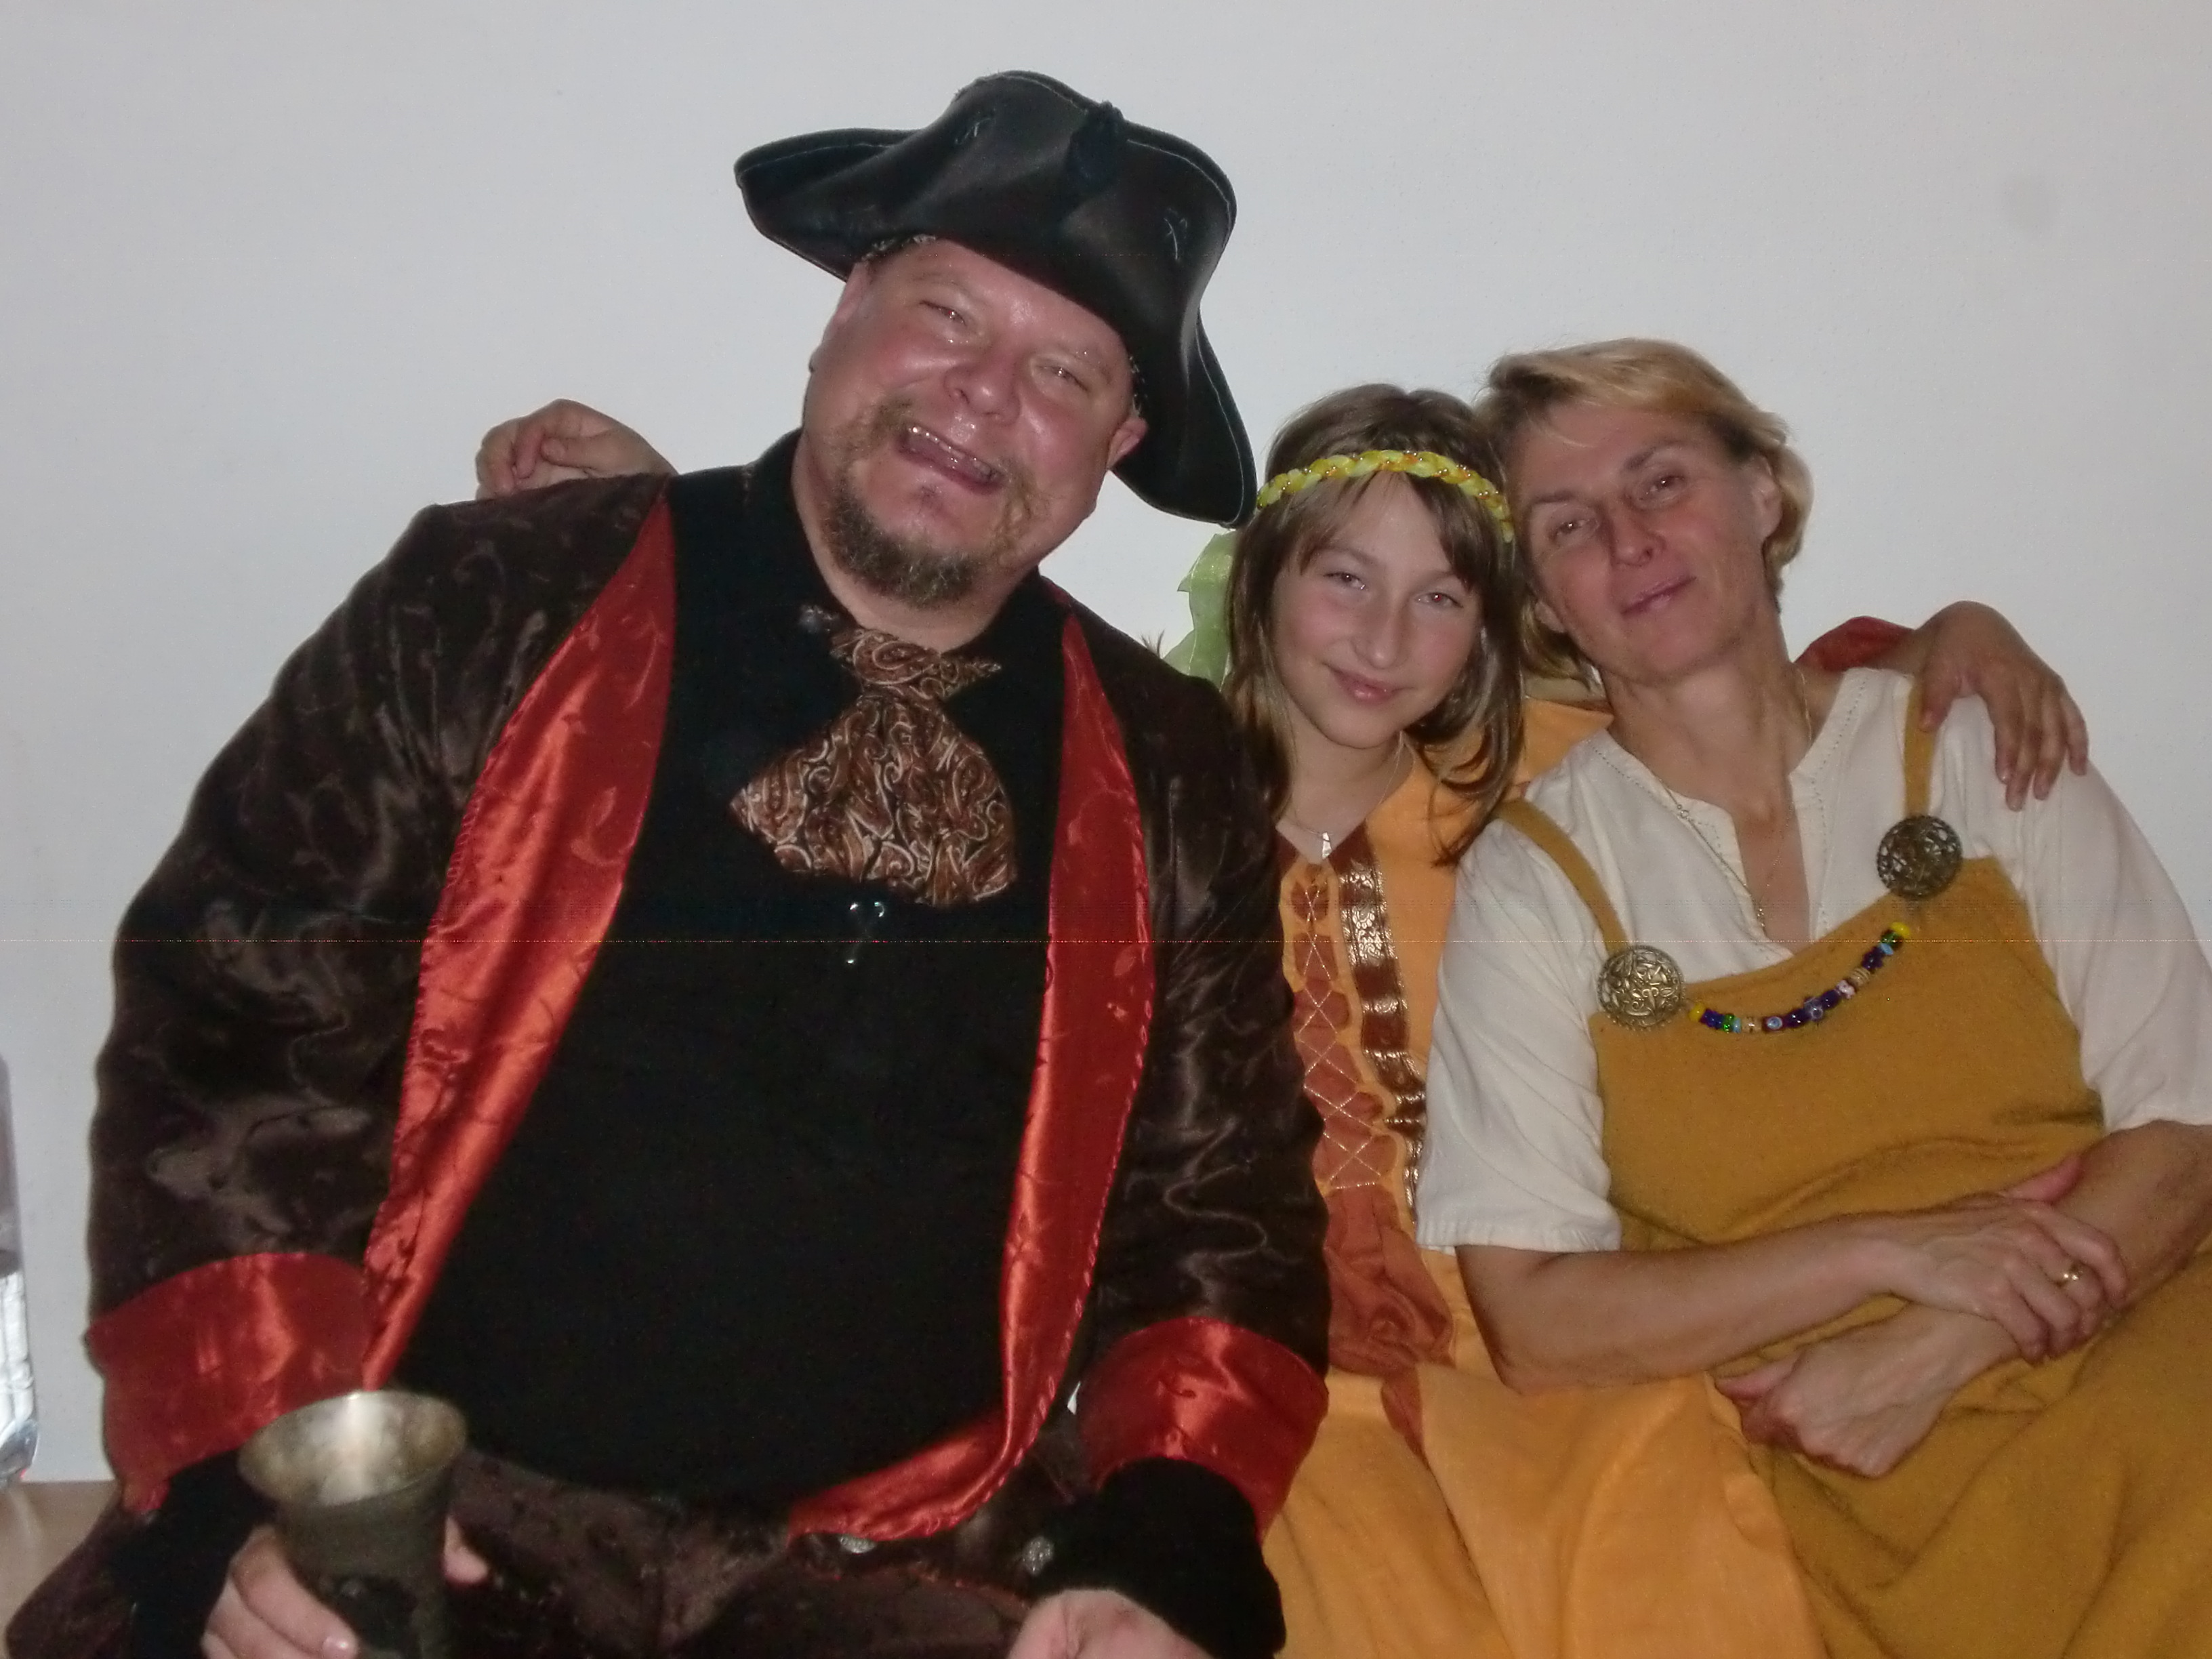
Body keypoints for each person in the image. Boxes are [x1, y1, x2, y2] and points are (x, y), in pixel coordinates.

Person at [15, 73, 1334, 1659]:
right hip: (426, 1532)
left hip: (898, 1573)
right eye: (945, 315)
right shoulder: (495, 603)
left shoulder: (1171, 766)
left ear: (1116, 442)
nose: (986, 395)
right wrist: (268, 1477)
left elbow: (1222, 1205)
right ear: (843, 310)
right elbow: (242, 1040)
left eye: (1062, 371)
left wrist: (1169, 1545)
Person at [495, 380, 2089, 1658]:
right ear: (1263, 580)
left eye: (1441, 600)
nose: (1384, 644)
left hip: (1561, 1364)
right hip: (1273, 1390)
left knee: (1678, 1584)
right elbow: (909, 661)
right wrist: (679, 505)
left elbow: (1758, 696)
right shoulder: (1131, 785)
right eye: (1344, 580)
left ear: (1491, 630)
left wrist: (1951, 633)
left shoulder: (1544, 784)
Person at [1418, 337, 2212, 1659]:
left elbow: (2187, 1128)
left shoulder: (1978, 746)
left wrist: (1946, 1337)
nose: (1629, 540)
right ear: (1545, 601)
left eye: (1661, 481)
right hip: (1835, 1446)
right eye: (1569, 525)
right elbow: (1538, 1320)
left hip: (2139, 1331)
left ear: (1762, 492)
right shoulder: (1538, 882)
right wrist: (1882, 1254)